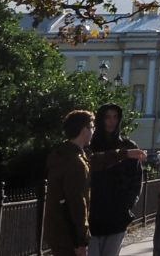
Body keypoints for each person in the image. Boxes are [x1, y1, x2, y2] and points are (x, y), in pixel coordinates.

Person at [87, 103, 146, 256]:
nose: (111, 121)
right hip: (92, 214)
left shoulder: (128, 146)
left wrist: (127, 204)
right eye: (107, 117)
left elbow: (136, 179)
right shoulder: (91, 146)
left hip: (116, 215)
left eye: (115, 117)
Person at [44, 109, 93, 256]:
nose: (93, 131)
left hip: (57, 230)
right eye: (92, 127)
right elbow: (77, 202)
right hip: (69, 236)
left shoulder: (61, 154)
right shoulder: (76, 163)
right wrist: (81, 240)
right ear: (84, 130)